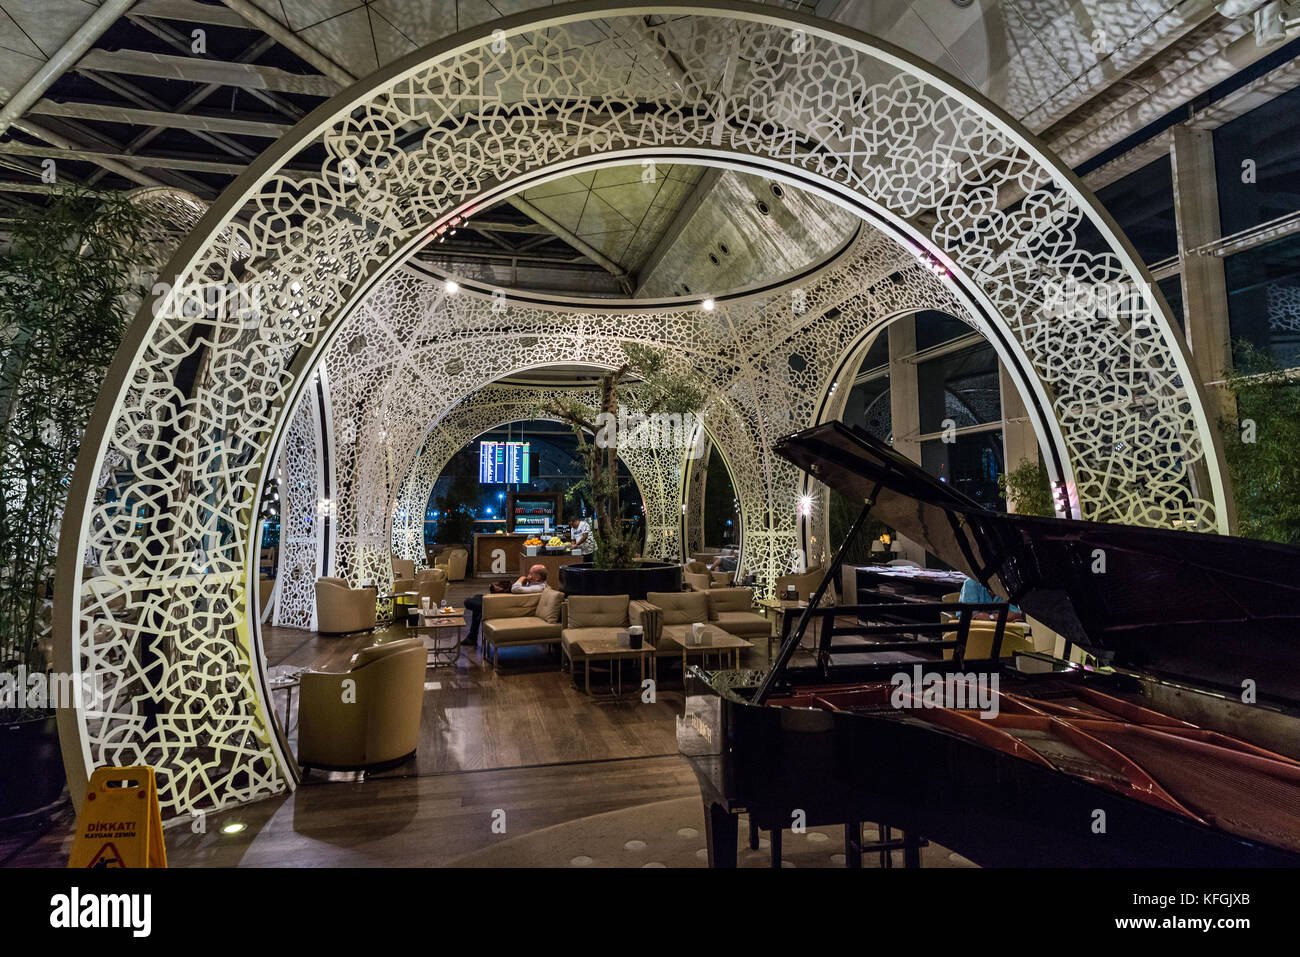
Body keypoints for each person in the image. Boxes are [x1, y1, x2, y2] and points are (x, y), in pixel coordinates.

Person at [463, 564, 548, 647]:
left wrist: (521, 579)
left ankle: (472, 637)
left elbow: (515, 589)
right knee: (478, 599)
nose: (528, 575)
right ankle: (472, 637)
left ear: (538, 577)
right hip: (508, 603)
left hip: (507, 607)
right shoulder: (534, 584)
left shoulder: (539, 587)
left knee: (469, 602)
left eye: (531, 573)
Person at [958, 576, 1025, 622]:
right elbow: (975, 618)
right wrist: (1004, 617)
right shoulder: (971, 583)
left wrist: (992, 617)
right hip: (971, 629)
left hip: (1002, 629)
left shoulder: (1008, 586)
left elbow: (1019, 614)